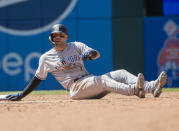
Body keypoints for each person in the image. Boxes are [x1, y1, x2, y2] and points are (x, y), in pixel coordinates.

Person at [5, 24, 167, 101]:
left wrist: (90, 54)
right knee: (103, 80)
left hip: (89, 82)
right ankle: (134, 90)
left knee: (121, 72)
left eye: (60, 35)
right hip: (76, 88)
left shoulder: (76, 46)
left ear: (66, 37)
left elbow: (96, 54)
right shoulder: (46, 57)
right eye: (54, 35)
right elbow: (37, 79)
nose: (57, 38)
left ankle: (152, 86)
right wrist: (21, 95)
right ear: (51, 38)